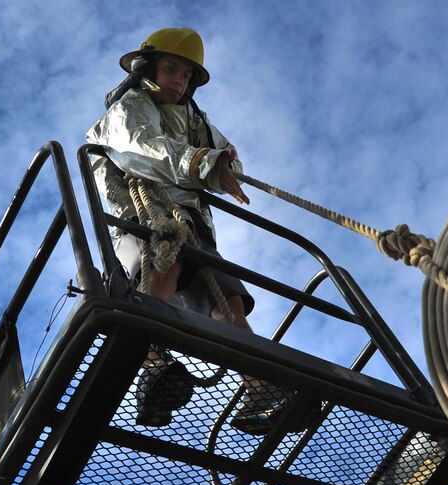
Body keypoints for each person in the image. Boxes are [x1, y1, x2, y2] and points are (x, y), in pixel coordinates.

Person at [87, 27, 308, 434]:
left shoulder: (195, 120)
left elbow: (225, 159)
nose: (179, 80)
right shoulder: (126, 109)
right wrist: (202, 165)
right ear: (147, 67)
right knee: (163, 272)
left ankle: (259, 388)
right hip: (144, 216)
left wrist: (222, 165)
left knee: (230, 302)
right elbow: (142, 150)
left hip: (197, 230)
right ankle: (153, 367)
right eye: (171, 68)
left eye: (187, 75)